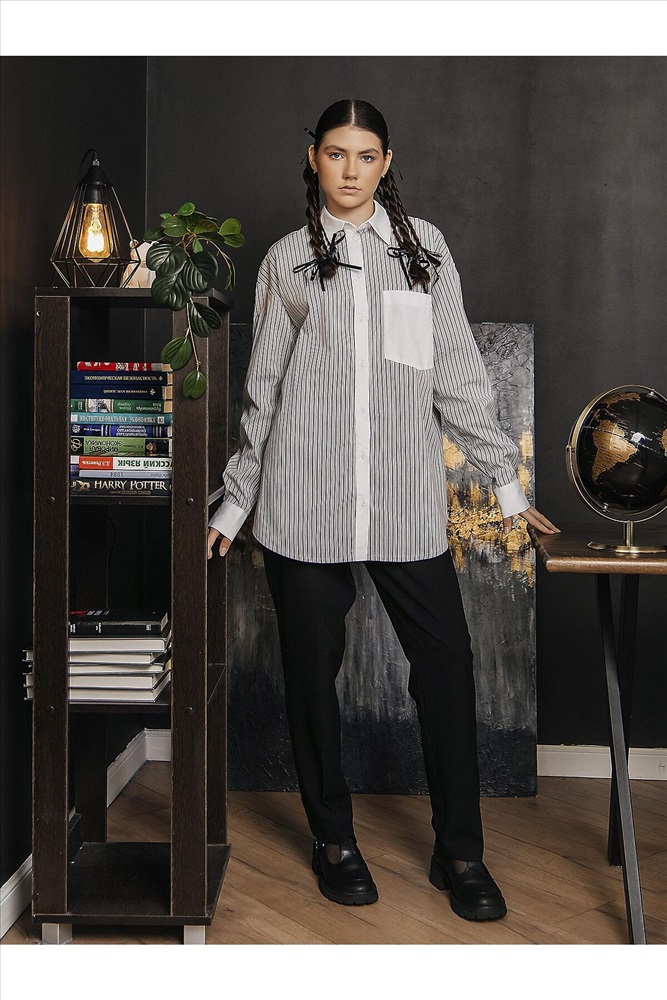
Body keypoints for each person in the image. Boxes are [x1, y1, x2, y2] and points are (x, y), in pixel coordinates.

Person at [207, 99, 559, 923]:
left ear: (386, 163)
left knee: (446, 666)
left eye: (366, 156)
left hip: (403, 501)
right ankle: (333, 840)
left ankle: (459, 850)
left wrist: (505, 482)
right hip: (304, 500)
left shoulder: (423, 248)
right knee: (310, 676)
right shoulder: (287, 259)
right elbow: (263, 388)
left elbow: (456, 373)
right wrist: (236, 499)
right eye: (336, 154)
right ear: (314, 158)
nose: (350, 170)